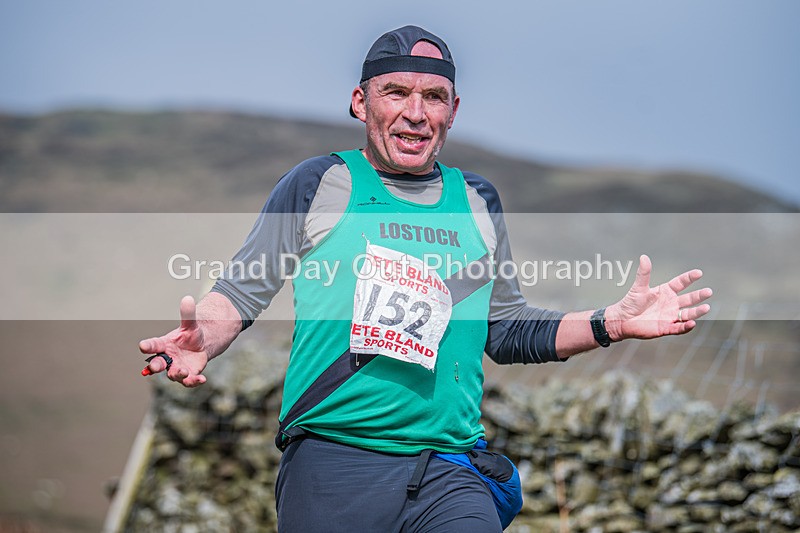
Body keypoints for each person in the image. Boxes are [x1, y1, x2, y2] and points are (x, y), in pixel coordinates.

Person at [139, 25, 712, 532]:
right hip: (334, 463)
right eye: (397, 93)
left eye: (433, 96)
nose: (416, 112)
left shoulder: (478, 201)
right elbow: (241, 290)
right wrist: (202, 341)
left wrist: (610, 322)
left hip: (448, 468)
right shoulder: (319, 184)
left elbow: (505, 329)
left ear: (453, 109)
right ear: (361, 103)